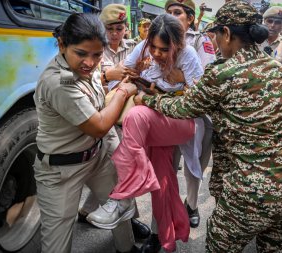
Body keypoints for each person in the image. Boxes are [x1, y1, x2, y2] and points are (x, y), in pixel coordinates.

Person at [134, 1, 282, 252]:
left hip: (253, 188)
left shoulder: (224, 72)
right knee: (274, 246)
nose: (216, 41)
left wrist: (148, 98)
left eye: (217, 34)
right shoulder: (276, 68)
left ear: (227, 33)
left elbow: (184, 108)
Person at [86, 14, 204, 253]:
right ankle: (162, 235)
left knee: (136, 115)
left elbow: (199, 104)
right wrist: (132, 75)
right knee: (162, 179)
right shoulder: (142, 49)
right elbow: (120, 78)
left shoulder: (189, 56)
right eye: (154, 47)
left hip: (180, 123)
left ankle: (122, 198)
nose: (158, 54)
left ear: (178, 45)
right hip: (153, 124)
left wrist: (156, 96)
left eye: (164, 49)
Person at [33, 13, 138, 253]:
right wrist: (123, 92)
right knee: (57, 243)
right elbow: (99, 126)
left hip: (96, 156)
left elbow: (87, 84)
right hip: (62, 171)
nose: (89, 63)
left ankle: (128, 248)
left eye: (97, 55)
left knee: (118, 210)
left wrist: (104, 77)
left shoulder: (74, 69)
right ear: (62, 45)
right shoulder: (56, 81)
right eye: (81, 53)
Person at [76, 3, 150, 241]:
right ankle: (131, 219)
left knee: (112, 168)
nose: (116, 33)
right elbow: (83, 77)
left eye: (119, 28)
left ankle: (87, 209)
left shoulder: (132, 48)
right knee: (120, 169)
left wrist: (140, 73)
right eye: (111, 29)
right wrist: (109, 75)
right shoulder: (95, 49)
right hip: (103, 116)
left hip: (127, 115)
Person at [164, 0, 215, 231]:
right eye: (169, 13)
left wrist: (182, 78)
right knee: (168, 164)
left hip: (196, 114)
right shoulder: (159, 39)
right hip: (166, 113)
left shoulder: (201, 41)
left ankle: (192, 206)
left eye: (178, 13)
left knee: (194, 164)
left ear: (190, 18)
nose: (173, 17)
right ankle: (169, 207)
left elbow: (208, 79)